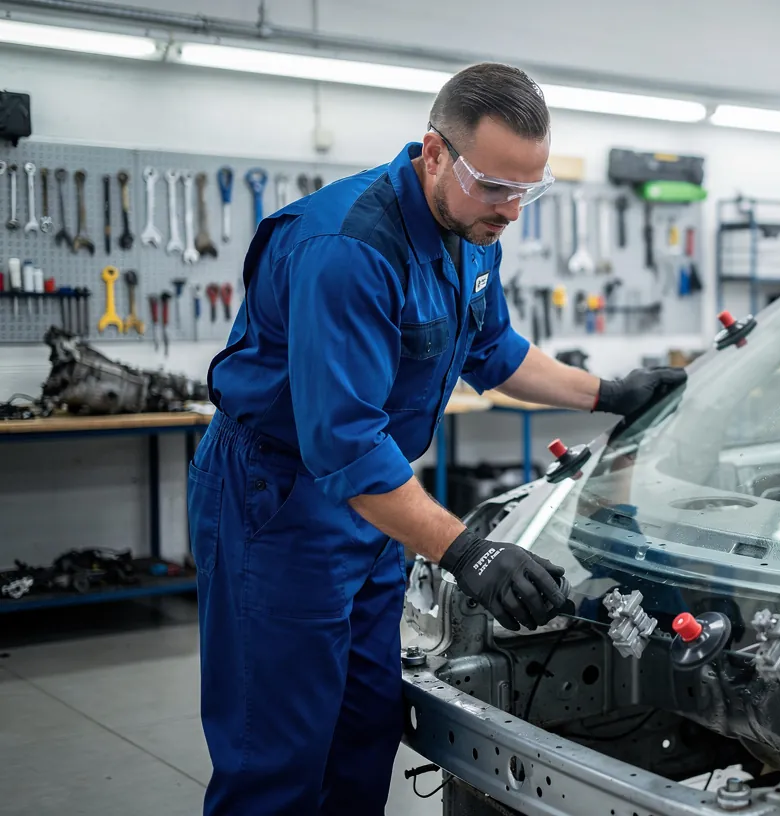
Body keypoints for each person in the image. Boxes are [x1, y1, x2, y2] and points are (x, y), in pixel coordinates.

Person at [186, 61, 685, 815]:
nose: (511, 210)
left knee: (364, 731)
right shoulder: (348, 250)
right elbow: (345, 445)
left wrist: (607, 393)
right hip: (279, 499)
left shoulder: (472, 229)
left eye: (527, 190)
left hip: (373, 503)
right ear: (434, 154)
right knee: (278, 754)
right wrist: (466, 551)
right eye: (495, 186)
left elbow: (496, 352)